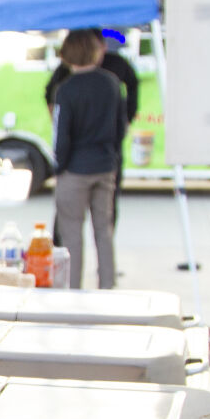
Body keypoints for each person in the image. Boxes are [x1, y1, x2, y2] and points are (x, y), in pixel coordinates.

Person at [50, 27, 127, 289]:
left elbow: (61, 135)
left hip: (75, 170)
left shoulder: (65, 90)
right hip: (105, 167)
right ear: (95, 52)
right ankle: (107, 287)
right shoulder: (112, 83)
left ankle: (73, 291)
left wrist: (59, 167)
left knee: (72, 235)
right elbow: (121, 128)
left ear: (67, 54)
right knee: (104, 232)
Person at [46, 27, 139, 228]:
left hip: (101, 157)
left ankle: (70, 255)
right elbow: (49, 97)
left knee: (98, 221)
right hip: (86, 157)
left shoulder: (114, 70)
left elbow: (133, 86)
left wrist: (127, 119)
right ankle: (61, 252)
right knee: (71, 223)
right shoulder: (70, 79)